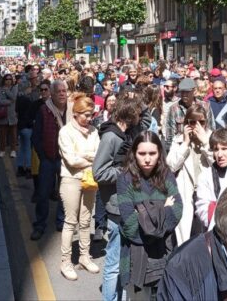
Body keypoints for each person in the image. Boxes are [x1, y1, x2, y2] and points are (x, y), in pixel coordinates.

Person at [118, 131, 182, 300]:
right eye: (142, 153)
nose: (147, 159)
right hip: (136, 254)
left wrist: (144, 215)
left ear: (159, 153)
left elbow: (177, 210)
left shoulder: (167, 175)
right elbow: (130, 225)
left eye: (152, 153)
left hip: (164, 252)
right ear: (134, 154)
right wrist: (163, 210)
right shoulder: (125, 179)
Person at [94, 97, 142, 301]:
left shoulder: (127, 134)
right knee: (113, 263)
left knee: (125, 262)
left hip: (127, 205)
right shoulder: (111, 137)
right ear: (130, 115)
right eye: (138, 114)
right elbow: (99, 173)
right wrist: (124, 169)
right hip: (115, 208)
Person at [58, 92, 100, 280]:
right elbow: (71, 160)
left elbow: (98, 155)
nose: (89, 119)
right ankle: (65, 262)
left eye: (91, 115)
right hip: (71, 180)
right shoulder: (65, 132)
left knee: (86, 220)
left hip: (90, 180)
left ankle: (84, 256)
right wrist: (89, 157)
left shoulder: (94, 131)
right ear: (76, 113)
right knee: (70, 222)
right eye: (86, 115)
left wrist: (85, 157)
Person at [166, 104, 213, 245]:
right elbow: (171, 166)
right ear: (186, 123)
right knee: (184, 237)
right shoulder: (179, 140)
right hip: (185, 193)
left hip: (206, 193)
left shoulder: (212, 139)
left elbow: (217, 164)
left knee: (207, 235)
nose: (197, 126)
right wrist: (185, 143)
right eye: (192, 122)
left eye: (201, 122)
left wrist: (205, 143)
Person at [31, 80, 68, 240]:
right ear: (51, 94)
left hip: (65, 159)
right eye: (58, 91)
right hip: (47, 159)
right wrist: (42, 154)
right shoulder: (44, 110)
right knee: (43, 193)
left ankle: (61, 221)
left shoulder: (72, 110)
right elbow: (36, 135)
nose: (61, 94)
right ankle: (40, 224)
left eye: (64, 91)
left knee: (64, 193)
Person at [195, 126, 227, 228]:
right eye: (216, 149)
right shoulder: (206, 176)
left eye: (224, 149)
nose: (219, 154)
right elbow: (203, 210)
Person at [164, 78, 214, 148]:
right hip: (182, 149)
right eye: (182, 92)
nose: (184, 94)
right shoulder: (174, 109)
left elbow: (211, 130)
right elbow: (170, 135)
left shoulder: (205, 107)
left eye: (187, 92)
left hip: (202, 148)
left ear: (194, 91)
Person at [0, 74, 19, 158]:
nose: (8, 81)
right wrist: (9, 102)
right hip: (3, 115)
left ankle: (13, 150)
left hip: (12, 115)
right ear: (4, 80)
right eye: (6, 79)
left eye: (10, 79)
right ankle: (2, 150)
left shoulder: (14, 88)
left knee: (13, 135)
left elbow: (14, 97)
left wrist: (6, 91)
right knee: (2, 134)